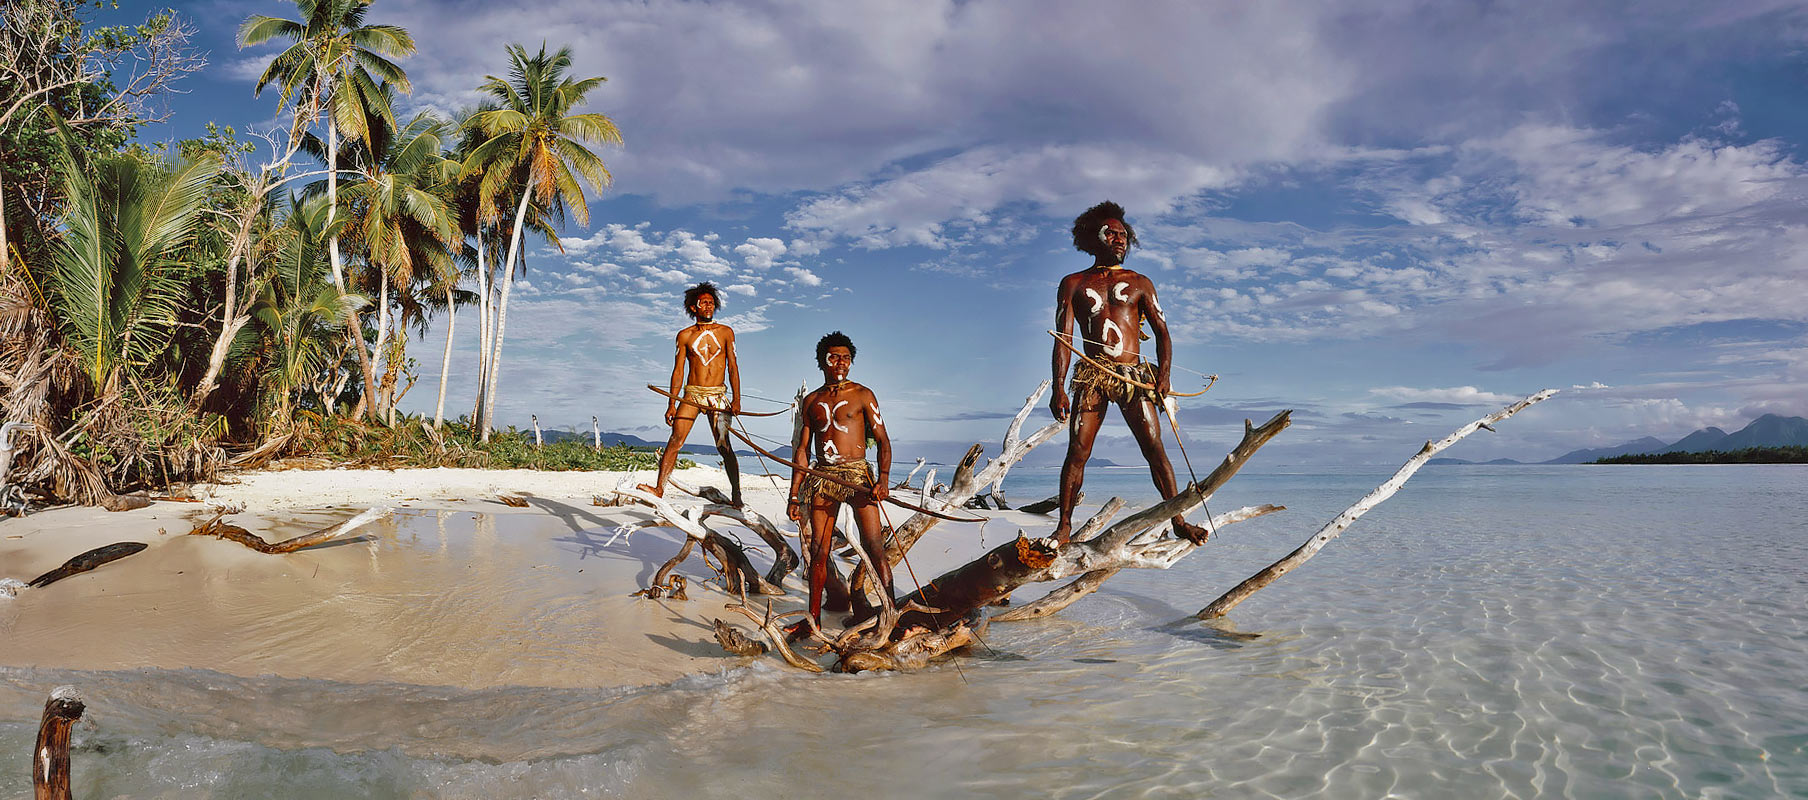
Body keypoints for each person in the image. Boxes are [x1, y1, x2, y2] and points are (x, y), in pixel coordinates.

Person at [1049, 201, 1208, 545]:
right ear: (1094, 238)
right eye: (1112, 233)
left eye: (1124, 235)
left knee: (1154, 448)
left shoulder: (1140, 283)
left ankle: (1178, 520)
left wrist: (1163, 376)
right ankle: (1063, 527)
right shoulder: (1073, 283)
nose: (1120, 240)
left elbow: (1163, 333)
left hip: (1132, 376)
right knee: (1077, 450)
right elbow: (1064, 339)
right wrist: (1058, 389)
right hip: (1092, 375)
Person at [786, 331, 893, 633]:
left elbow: (884, 441)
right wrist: (794, 496)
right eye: (834, 358)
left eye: (845, 358)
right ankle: (813, 621)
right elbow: (803, 451)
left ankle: (890, 617)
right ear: (823, 361)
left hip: (859, 476)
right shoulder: (812, 401)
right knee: (818, 552)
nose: (840, 364)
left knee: (875, 547)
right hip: (823, 477)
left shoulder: (863, 395)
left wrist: (883, 480)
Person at [640, 282, 743, 506]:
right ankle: (659, 489)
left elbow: (733, 367)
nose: (709, 306)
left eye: (712, 302)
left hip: (717, 395)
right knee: (675, 440)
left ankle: (737, 495)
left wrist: (737, 399)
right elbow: (678, 371)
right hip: (692, 394)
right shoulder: (684, 335)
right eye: (704, 302)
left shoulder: (726, 332)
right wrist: (671, 404)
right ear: (694, 307)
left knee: (724, 447)